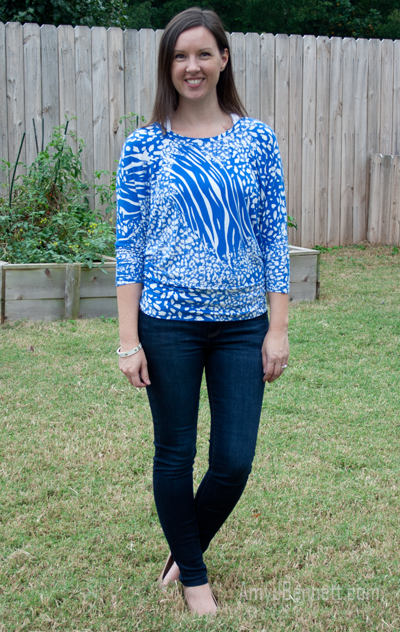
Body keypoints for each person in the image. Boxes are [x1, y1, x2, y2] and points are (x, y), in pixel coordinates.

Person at [115, 7, 289, 616]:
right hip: (167, 326)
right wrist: (129, 341)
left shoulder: (257, 139)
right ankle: (194, 577)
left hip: (242, 326)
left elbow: (273, 238)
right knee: (175, 453)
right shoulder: (146, 146)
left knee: (234, 460)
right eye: (180, 56)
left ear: (223, 59)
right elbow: (129, 248)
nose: (192, 66)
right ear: (168, 66)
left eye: (203, 54)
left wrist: (277, 329)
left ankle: (182, 547)